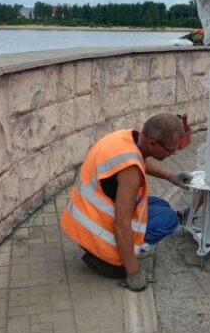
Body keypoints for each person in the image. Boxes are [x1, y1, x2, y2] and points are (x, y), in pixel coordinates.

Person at [60, 113, 193, 292]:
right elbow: (121, 225)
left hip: (85, 222)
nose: (173, 154)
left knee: (161, 205)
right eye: (170, 150)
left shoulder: (125, 138)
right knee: (168, 218)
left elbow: (140, 160)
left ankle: (116, 254)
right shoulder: (130, 171)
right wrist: (133, 273)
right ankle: (119, 261)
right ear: (153, 143)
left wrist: (170, 177)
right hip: (99, 239)